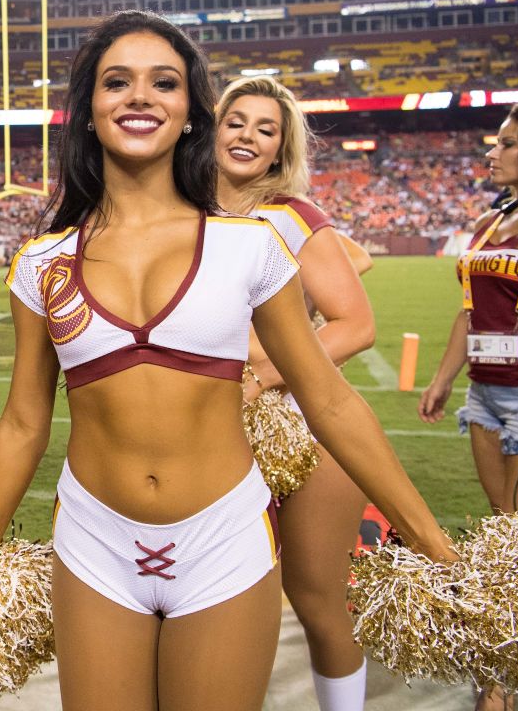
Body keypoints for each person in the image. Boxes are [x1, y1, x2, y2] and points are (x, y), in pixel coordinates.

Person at [0, 11, 457, 711]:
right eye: (116, 82)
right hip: (95, 540)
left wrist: (433, 541)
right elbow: (21, 422)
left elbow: (330, 400)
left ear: (191, 114)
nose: (139, 96)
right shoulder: (40, 264)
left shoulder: (250, 248)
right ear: (89, 110)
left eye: (163, 83)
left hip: (224, 538)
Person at [214, 75, 376, 711]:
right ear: (213, 127)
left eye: (266, 129)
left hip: (303, 423)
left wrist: (266, 371)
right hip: (206, 426)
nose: (248, 136)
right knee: (216, 594)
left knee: (318, 598)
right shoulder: (175, 209)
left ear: (282, 149)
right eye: (237, 121)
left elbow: (357, 325)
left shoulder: (293, 215)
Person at [418, 103, 518, 711]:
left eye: (507, 144)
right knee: (502, 527)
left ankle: (502, 681)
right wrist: (443, 378)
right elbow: (471, 311)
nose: (491, 153)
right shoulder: (496, 221)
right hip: (486, 394)